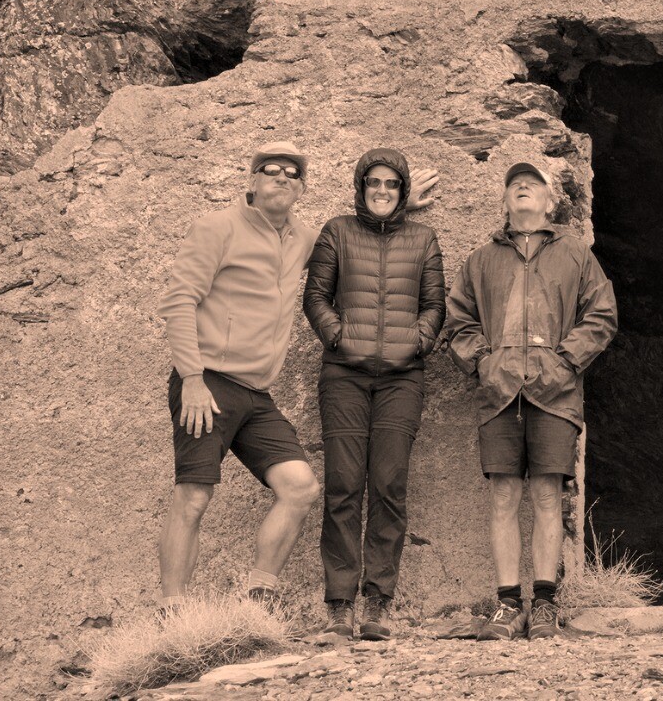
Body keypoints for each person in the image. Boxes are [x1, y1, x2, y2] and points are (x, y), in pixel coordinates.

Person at [443, 161, 618, 640]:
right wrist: (484, 363)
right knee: (503, 495)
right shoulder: (480, 260)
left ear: (548, 202)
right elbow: (458, 321)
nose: (523, 188)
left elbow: (601, 316)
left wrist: (563, 362)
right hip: (499, 393)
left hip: (555, 395)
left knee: (545, 494)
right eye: (514, 184)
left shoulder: (576, 254)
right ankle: (506, 604)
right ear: (505, 202)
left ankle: (543, 603)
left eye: (533, 184)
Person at [155, 141, 322, 611]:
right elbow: (179, 301)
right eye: (270, 169)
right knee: (193, 497)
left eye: (293, 173)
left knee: (300, 487)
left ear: (301, 188)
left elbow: (346, 235)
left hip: (256, 395)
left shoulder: (302, 240)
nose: (282, 177)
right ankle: (174, 612)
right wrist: (190, 377)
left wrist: (392, 202)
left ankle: (257, 599)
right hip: (206, 384)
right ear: (251, 180)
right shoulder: (217, 227)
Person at [303, 148, 446, 640]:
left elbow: (435, 306)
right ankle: (340, 604)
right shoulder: (338, 231)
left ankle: (377, 603)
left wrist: (418, 342)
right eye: (373, 184)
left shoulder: (423, 238)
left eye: (391, 184)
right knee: (343, 484)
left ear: (402, 191)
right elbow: (315, 296)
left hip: (402, 380)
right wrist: (338, 336)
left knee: (389, 484)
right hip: (343, 376)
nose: (381, 191)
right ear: (361, 188)